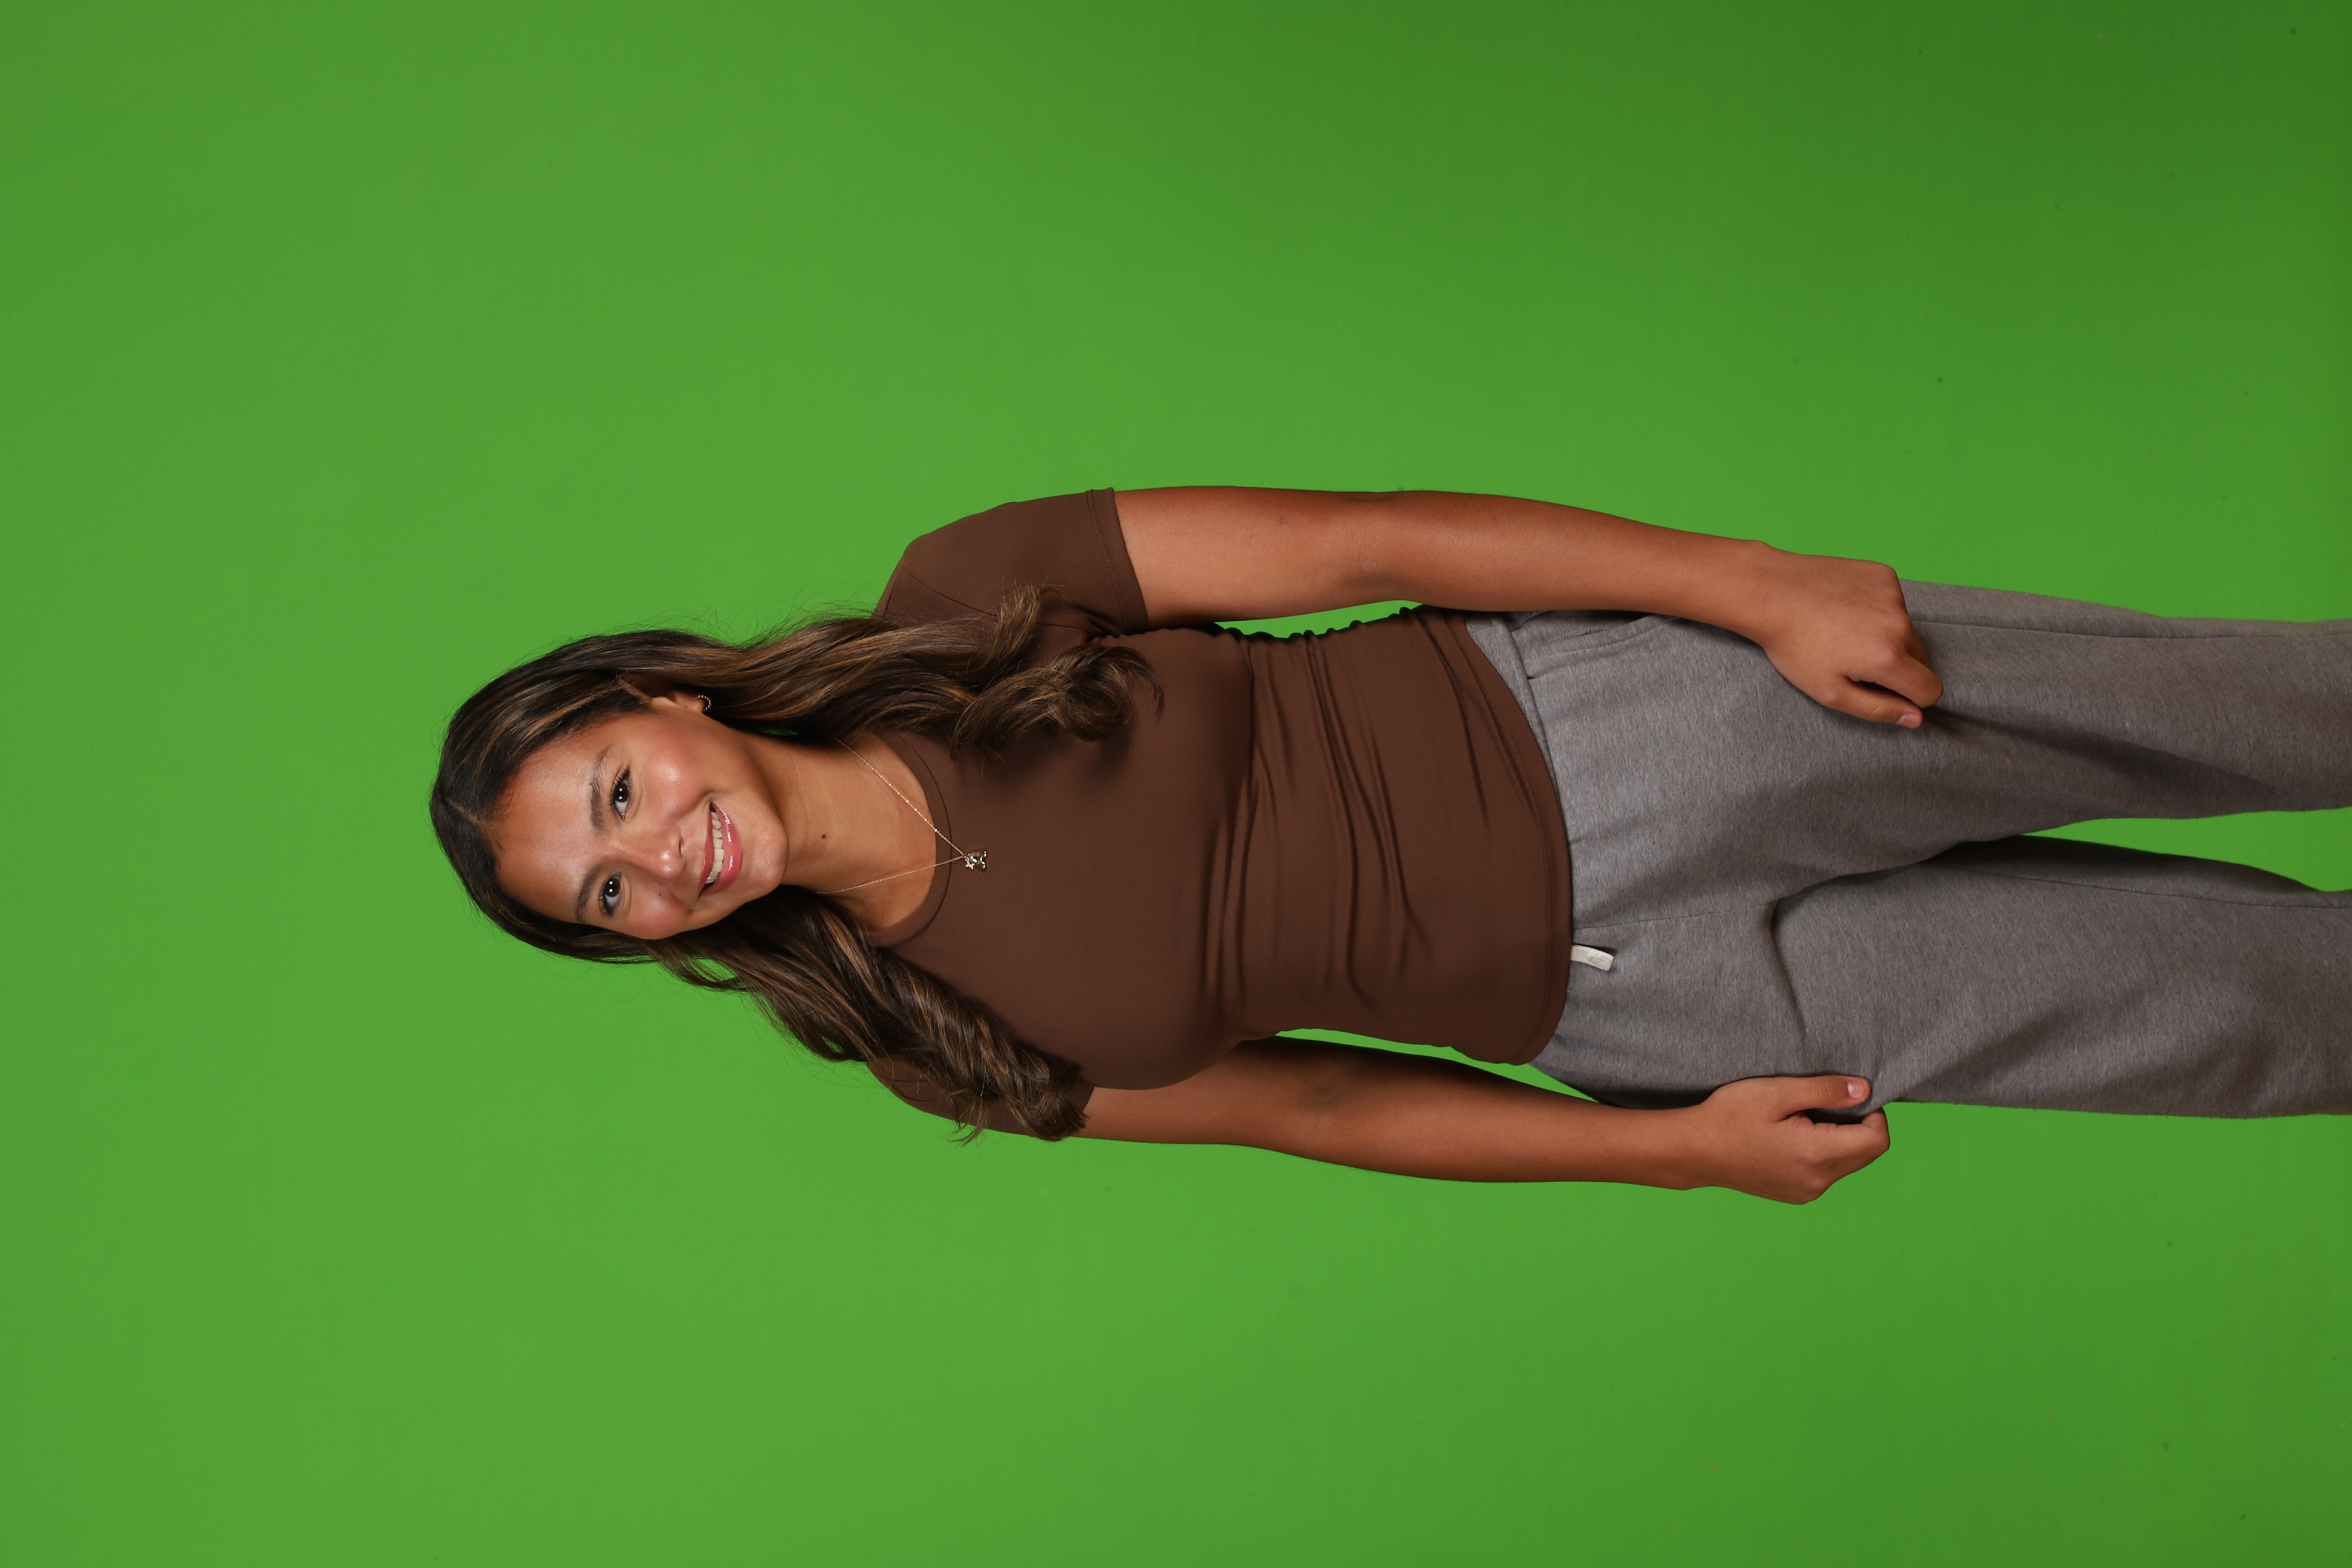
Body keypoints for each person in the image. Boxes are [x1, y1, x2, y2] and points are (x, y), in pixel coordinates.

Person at [431, 489, 2352, 1203]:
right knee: (2235, 1018)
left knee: (2235, 710)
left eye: (615, 791)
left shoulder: (964, 591)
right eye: (605, 893)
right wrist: (1673, 1152)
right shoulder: (923, 1037)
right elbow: (1326, 1108)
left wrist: (1747, 583)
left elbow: (1369, 540)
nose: (656, 857)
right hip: (1640, 1004)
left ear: (657, 700)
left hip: (1623, 733)